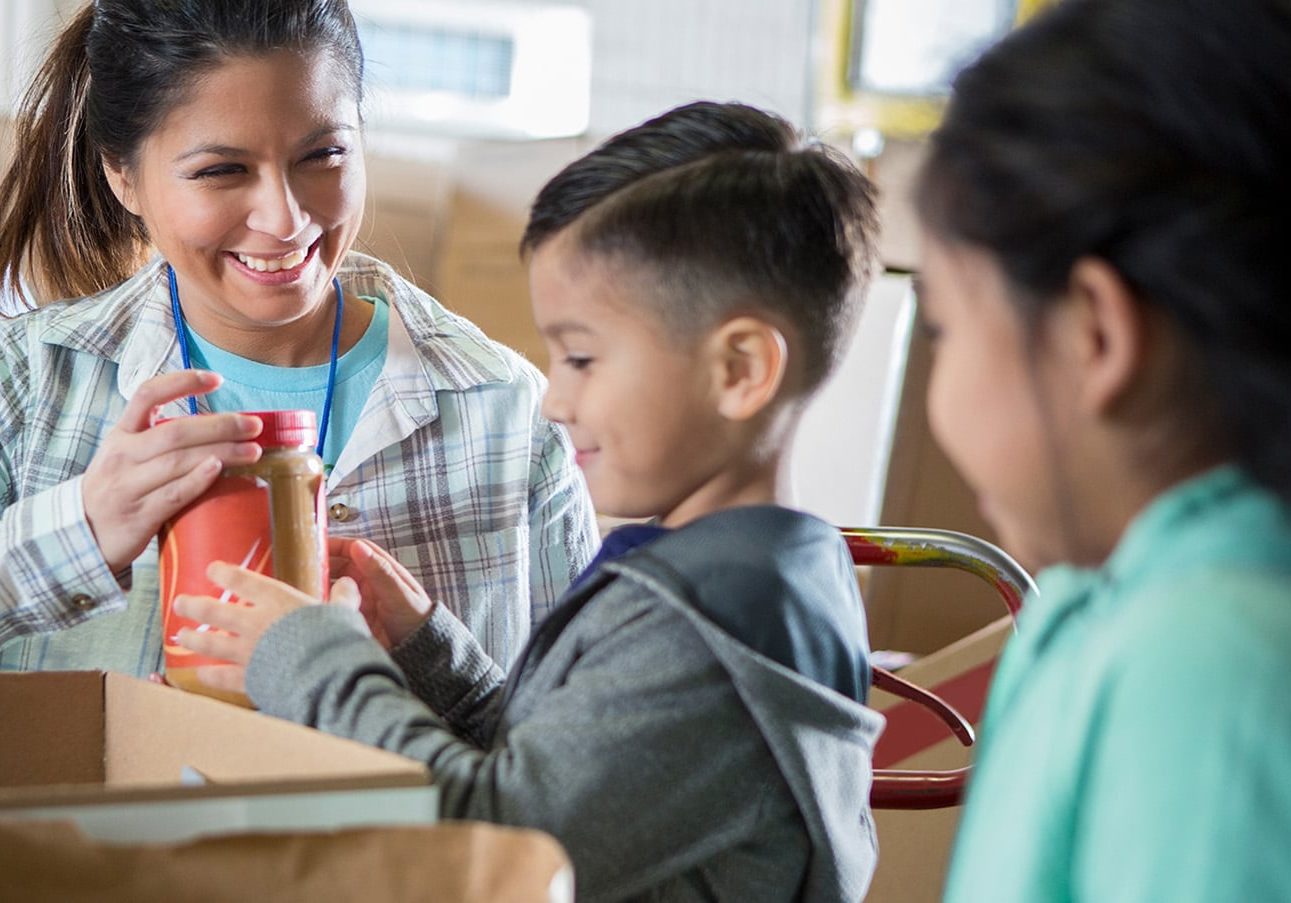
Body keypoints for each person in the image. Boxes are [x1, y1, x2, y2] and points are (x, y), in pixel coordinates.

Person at [171, 101, 885, 901]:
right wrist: (428, 650)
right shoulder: (741, 577)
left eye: (581, 357)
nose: (554, 400)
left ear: (740, 368)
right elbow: (562, 770)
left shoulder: (713, 629)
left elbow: (506, 837)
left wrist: (309, 655)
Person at [0, 0, 598, 676]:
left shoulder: (509, 412)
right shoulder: (28, 381)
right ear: (123, 175)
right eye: (221, 171)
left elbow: (572, 747)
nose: (285, 220)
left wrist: (432, 661)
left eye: (323, 154)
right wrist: (78, 531)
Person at [909, 0, 1291, 898]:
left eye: (943, 328)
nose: (940, 388)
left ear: (1094, 336)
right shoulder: (1096, 597)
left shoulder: (1209, 661)